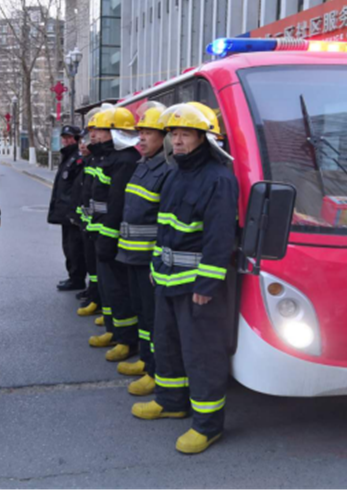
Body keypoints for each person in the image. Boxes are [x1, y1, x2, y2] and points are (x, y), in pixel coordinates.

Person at [132, 102, 238, 456]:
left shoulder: (219, 178)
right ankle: (171, 402)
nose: (177, 141)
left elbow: (220, 238)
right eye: (174, 134)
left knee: (202, 355)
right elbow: (163, 227)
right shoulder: (175, 172)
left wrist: (207, 285)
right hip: (166, 278)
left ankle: (208, 425)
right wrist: (154, 266)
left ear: (204, 138)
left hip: (196, 286)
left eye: (186, 134)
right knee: (166, 344)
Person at [115, 103, 170, 398]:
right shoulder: (144, 164)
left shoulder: (167, 170)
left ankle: (155, 370)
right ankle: (146, 360)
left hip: (150, 260)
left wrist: (157, 261)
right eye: (141, 132)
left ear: (165, 136)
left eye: (148, 132)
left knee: (154, 318)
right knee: (143, 315)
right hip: (133, 256)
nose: (142, 138)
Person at [87, 106, 142, 363]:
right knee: (108, 289)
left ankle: (126, 340)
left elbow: (117, 203)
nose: (95, 135)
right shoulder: (109, 157)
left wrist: (108, 238)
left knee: (119, 291)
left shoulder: (125, 160)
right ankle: (113, 329)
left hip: (112, 236)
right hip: (101, 232)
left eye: (100, 130)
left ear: (115, 132)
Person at [48, 125, 87, 293]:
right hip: (65, 211)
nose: (66, 141)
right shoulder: (68, 156)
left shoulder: (78, 158)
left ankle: (77, 278)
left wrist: (73, 211)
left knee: (75, 248)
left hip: (72, 212)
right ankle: (73, 276)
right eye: (64, 137)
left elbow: (77, 188)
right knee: (69, 246)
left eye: (70, 137)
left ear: (77, 139)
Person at [73, 126, 104, 321]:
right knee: (92, 265)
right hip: (89, 224)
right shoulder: (92, 160)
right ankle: (94, 295)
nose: (85, 143)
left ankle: (98, 299)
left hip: (100, 226)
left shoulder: (102, 159)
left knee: (101, 268)